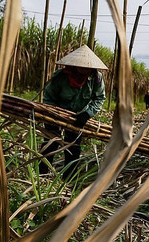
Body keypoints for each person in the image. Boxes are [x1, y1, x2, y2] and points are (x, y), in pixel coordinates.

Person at [40, 45, 107, 179]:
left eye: (87, 67)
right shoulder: (61, 76)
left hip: (78, 116)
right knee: (50, 142)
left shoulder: (96, 78)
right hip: (56, 114)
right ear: (74, 65)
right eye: (81, 66)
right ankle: (42, 175)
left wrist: (87, 114)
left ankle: (68, 179)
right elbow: (48, 96)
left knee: (74, 147)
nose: (84, 69)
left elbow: (99, 98)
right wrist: (53, 113)